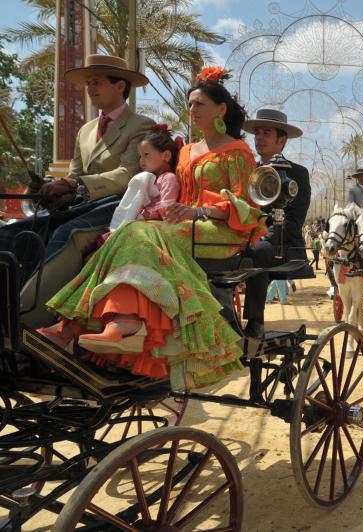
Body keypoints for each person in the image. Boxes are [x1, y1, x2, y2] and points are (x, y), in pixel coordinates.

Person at [39, 66, 266, 390]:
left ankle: (97, 326)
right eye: (189, 104)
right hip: (182, 225)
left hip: (222, 232)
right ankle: (97, 325)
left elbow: (246, 206)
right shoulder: (186, 151)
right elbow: (174, 193)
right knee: (126, 232)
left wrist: (197, 210)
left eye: (199, 103)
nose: (192, 110)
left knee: (136, 233)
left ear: (221, 109)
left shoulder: (238, 152)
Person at [5, 55, 155, 328]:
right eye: (88, 83)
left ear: (120, 86)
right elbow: (74, 176)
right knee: (19, 231)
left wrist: (73, 185)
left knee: (67, 235)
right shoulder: (85, 131)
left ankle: (29, 321)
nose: (90, 88)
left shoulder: (141, 126)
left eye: (96, 82)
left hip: (118, 208)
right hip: (80, 206)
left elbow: (129, 174)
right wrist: (50, 189)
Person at [239, 109, 309, 337]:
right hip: (247, 235)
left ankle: (255, 321)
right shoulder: (248, 169)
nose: (259, 138)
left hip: (283, 244)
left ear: (282, 140)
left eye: (266, 133)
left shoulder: (298, 173)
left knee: (256, 252)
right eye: (257, 133)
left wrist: (263, 237)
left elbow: (294, 220)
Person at [100, 124, 182, 243]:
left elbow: (167, 210)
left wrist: (143, 216)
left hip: (151, 227)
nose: (141, 160)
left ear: (166, 155)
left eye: (146, 155)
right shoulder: (148, 179)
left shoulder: (168, 178)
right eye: (140, 156)